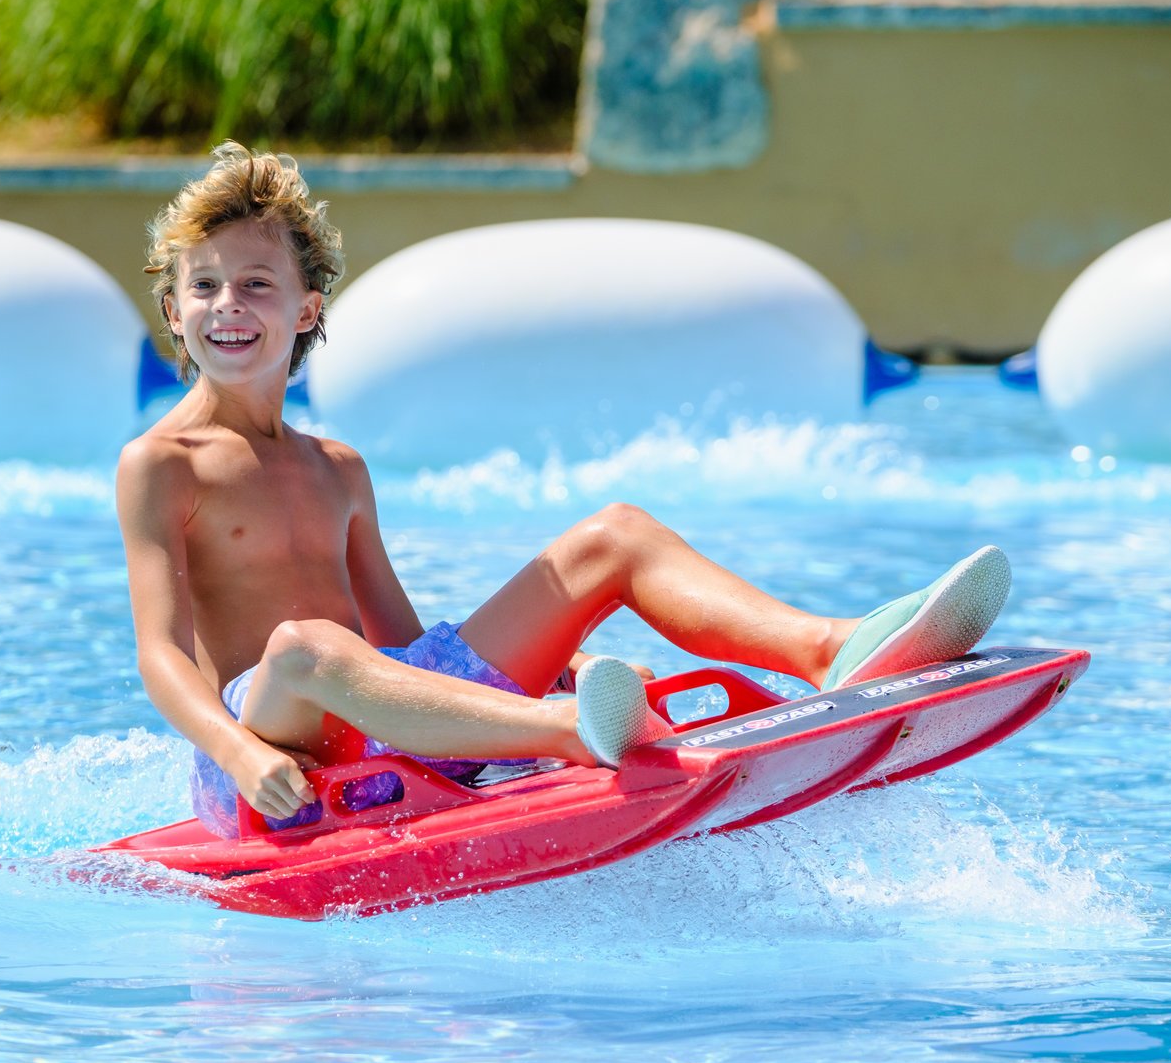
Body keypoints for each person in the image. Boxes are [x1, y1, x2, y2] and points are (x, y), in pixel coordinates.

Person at [117, 142, 1011, 838]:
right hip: (264, 745)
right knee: (304, 644)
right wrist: (234, 752)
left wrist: (551, 660)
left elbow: (400, 645)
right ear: (174, 310)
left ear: (306, 309)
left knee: (614, 533)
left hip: (378, 709)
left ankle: (830, 649)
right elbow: (161, 653)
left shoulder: (336, 469)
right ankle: (566, 731)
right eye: (204, 287)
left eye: (256, 285)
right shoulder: (162, 464)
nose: (227, 305)